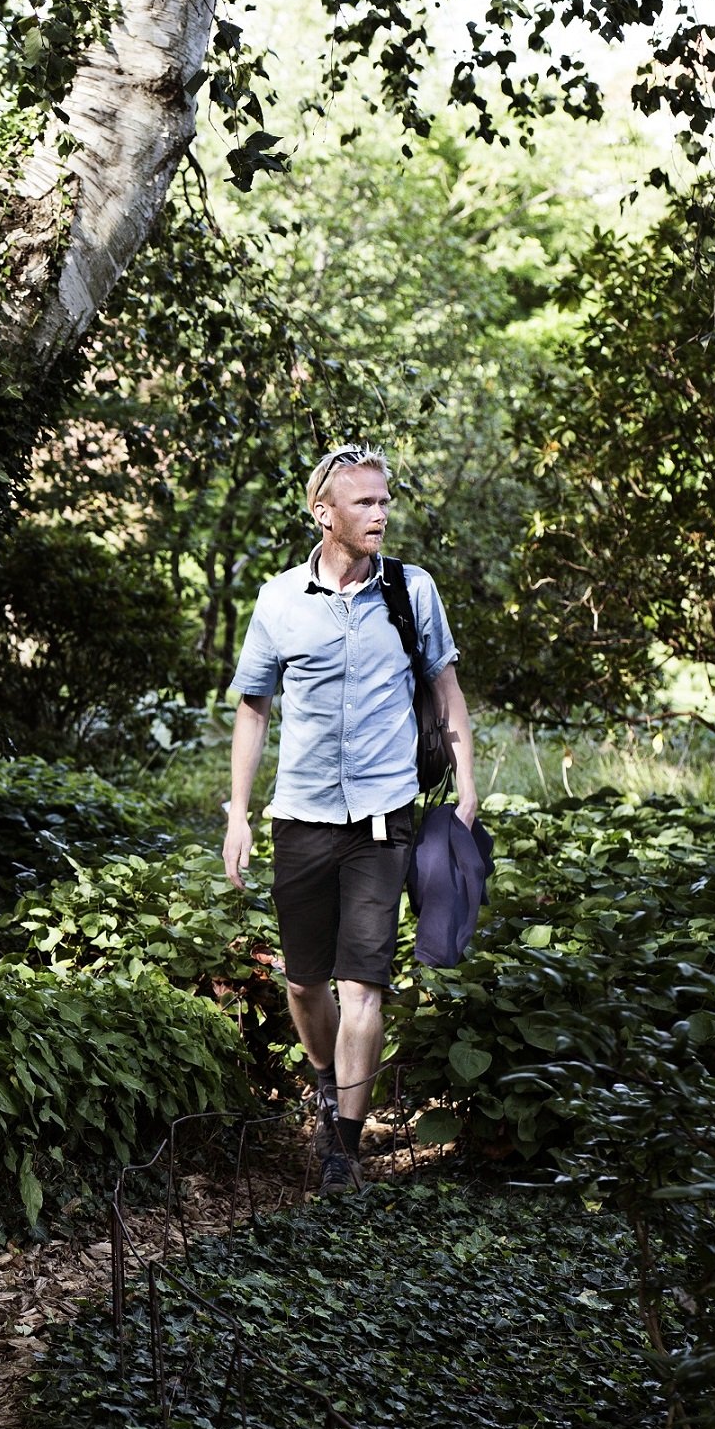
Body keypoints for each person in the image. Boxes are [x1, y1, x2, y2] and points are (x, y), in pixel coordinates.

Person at [220, 444, 478, 1189]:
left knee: (365, 983)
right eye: (364, 502)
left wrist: (466, 784)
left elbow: (446, 688)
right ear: (322, 512)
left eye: (385, 500)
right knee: (307, 983)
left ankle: (344, 1144)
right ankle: (327, 1084)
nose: (381, 513)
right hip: (300, 814)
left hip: (385, 813)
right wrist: (238, 814)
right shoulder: (277, 601)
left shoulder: (411, 590)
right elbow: (253, 710)